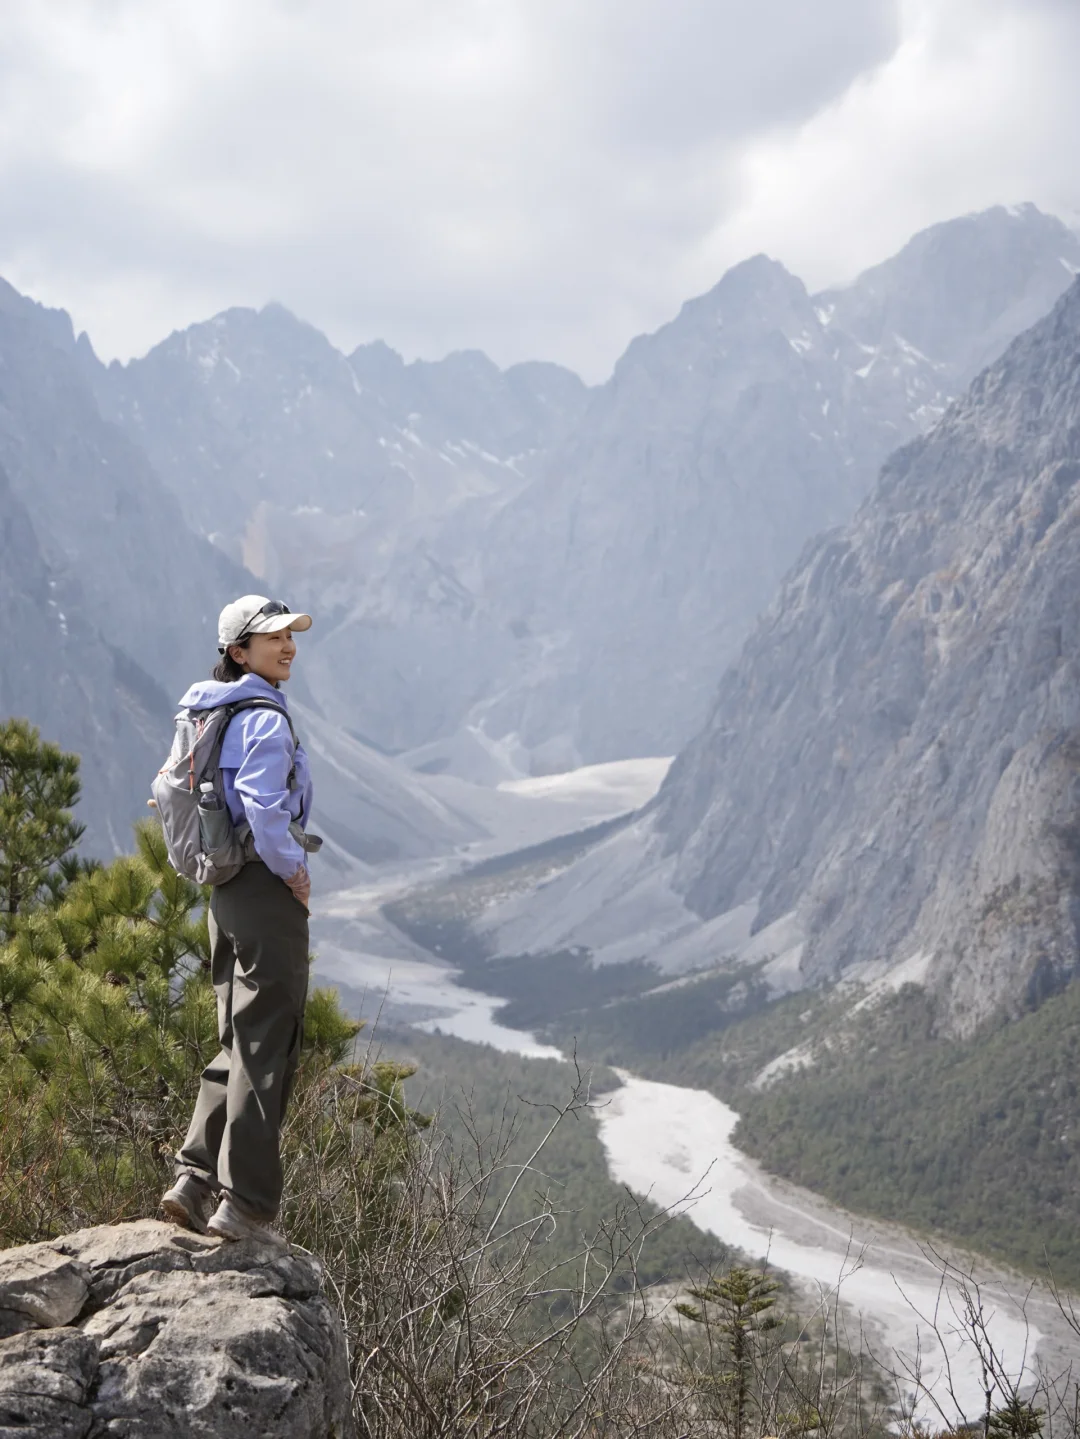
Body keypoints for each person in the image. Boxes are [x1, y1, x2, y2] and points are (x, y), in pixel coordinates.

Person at [159, 595, 316, 1248]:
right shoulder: (263, 720)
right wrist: (293, 873)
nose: (287, 646)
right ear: (237, 650)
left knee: (235, 1038)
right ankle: (244, 1204)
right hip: (262, 890)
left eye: (289, 634)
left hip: (223, 894)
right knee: (266, 1045)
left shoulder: (205, 711)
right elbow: (262, 805)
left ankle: (194, 1183)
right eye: (271, 636)